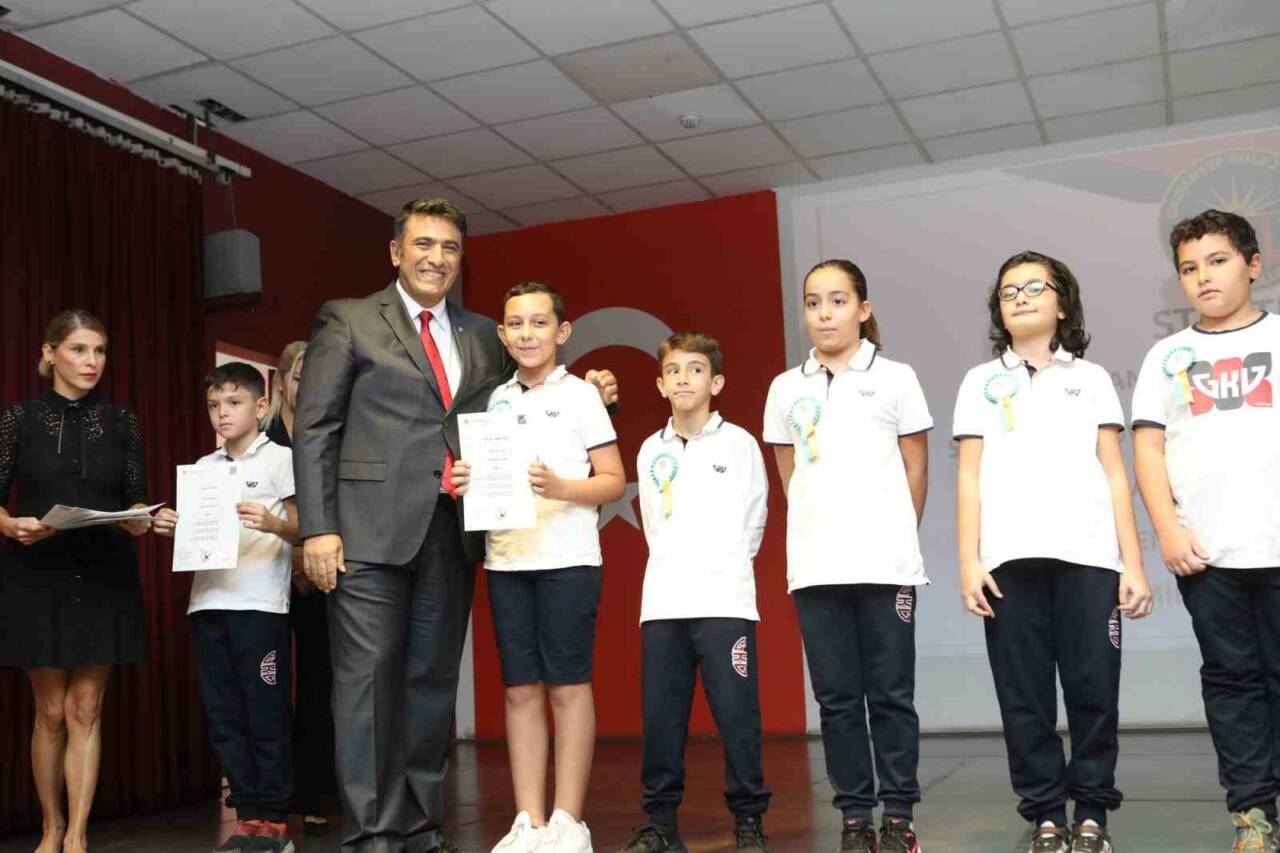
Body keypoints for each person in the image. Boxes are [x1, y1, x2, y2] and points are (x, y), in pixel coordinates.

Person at [293, 197, 617, 853]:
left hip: (453, 531)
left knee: (431, 684)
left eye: (449, 247)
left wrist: (596, 387)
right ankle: (374, 833)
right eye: (423, 244)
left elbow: (534, 382)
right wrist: (317, 528)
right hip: (365, 537)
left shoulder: (483, 334)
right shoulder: (349, 319)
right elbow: (316, 426)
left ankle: (419, 824)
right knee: (366, 686)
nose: (436, 258)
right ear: (396, 251)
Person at [953, 251, 1152, 853]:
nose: (1020, 297)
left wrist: (1133, 563)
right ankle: (1045, 814)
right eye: (1008, 290)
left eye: (1035, 287)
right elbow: (969, 477)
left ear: (1063, 303)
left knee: (1094, 692)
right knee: (1024, 699)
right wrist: (969, 561)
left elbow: (1114, 473)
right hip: (1007, 562)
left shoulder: (1090, 379)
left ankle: (1091, 814)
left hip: (1088, 557)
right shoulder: (978, 382)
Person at [763, 260, 930, 853]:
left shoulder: (897, 377)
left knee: (891, 695)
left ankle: (899, 815)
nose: (824, 313)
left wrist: (892, 535)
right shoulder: (786, 388)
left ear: (863, 308)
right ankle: (856, 817)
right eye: (813, 302)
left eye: (837, 301)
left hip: (887, 566)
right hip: (816, 568)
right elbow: (790, 475)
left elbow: (915, 470)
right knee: (835, 701)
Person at [452, 281, 625, 853]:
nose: (527, 334)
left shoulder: (583, 396)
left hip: (568, 559)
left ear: (562, 330)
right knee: (520, 690)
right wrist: (464, 480)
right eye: (515, 325)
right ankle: (528, 821)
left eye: (539, 322)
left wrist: (561, 486)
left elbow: (613, 480)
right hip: (506, 560)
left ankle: (569, 820)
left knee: (568, 687)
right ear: (502, 335)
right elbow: (479, 475)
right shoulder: (492, 401)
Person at [1132, 209, 1280, 853]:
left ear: (1253, 264)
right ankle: (1253, 814)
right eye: (1189, 268)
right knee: (1232, 684)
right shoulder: (1166, 356)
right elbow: (1148, 449)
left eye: (1217, 261)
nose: (1203, 276)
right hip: (1208, 555)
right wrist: (1167, 530)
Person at [0, 309, 152, 853]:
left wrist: (140, 518)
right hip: (38, 571)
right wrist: (8, 524)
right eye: (79, 349)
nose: (92, 361)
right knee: (50, 711)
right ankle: (52, 827)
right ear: (50, 353)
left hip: (105, 570)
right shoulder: (18, 419)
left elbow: (135, 496)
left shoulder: (122, 421)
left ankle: (78, 836)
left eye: (100, 351)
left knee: (86, 708)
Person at [619, 332, 771, 853]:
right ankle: (660, 823)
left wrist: (721, 568)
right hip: (663, 604)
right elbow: (653, 524)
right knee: (662, 720)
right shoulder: (650, 449)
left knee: (737, 716)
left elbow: (754, 520)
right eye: (673, 371)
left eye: (696, 369)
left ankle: (749, 820)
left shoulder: (740, 444)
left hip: (726, 602)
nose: (683, 378)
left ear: (717, 382)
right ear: (660, 384)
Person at [155, 361, 300, 853]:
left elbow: (305, 528)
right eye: (214, 404)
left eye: (234, 402)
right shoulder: (202, 468)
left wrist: (272, 523)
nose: (222, 412)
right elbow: (198, 535)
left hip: (260, 605)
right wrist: (173, 527)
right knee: (225, 716)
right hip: (208, 603)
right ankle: (246, 818)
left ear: (261, 406)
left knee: (266, 713)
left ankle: (276, 822)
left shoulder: (280, 459)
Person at [264, 341, 339, 835]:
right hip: (265, 572)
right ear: (281, 381)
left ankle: (315, 794)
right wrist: (291, 552)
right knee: (268, 684)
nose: (307, 386)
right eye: (299, 376)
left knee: (318, 682)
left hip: (321, 576)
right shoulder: (262, 437)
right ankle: (270, 796)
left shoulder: (333, 434)